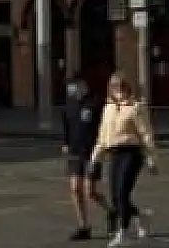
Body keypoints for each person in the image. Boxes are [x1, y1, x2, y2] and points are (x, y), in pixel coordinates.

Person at [90, 72, 156, 247]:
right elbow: (102, 136)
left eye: (121, 85)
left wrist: (151, 158)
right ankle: (141, 216)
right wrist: (95, 158)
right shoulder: (108, 108)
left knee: (122, 192)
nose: (117, 89)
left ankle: (123, 232)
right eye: (114, 86)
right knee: (115, 197)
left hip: (131, 153)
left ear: (127, 87)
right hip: (114, 153)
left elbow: (146, 134)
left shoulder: (136, 107)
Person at [61, 74, 112, 240]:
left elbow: (104, 126)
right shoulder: (69, 105)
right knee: (75, 189)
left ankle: (111, 211)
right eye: (70, 87)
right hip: (75, 152)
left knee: (90, 192)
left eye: (75, 85)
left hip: (92, 152)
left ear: (83, 85)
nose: (72, 89)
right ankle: (83, 226)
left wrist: (105, 146)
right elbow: (67, 125)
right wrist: (65, 143)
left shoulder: (95, 103)